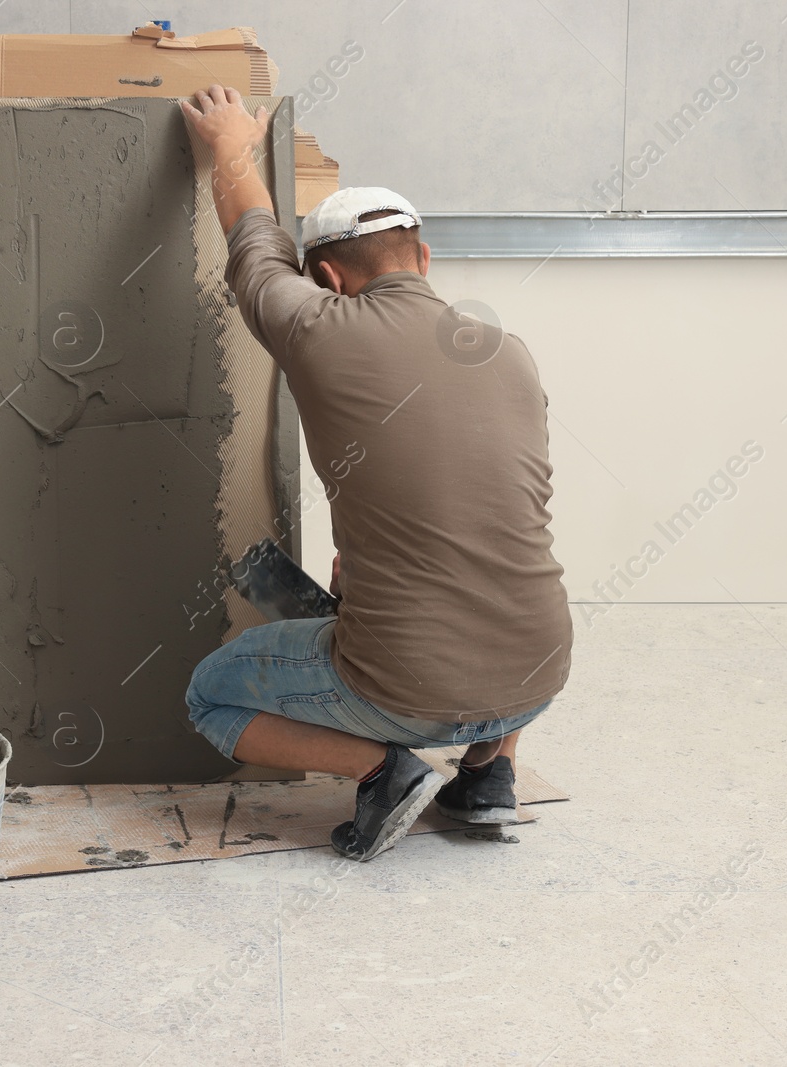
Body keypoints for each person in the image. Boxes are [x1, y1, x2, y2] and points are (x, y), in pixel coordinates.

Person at [180, 86, 572, 862]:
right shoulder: (509, 351)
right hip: (541, 667)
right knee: (503, 580)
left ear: (325, 279)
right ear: (424, 259)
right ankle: (490, 774)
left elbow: (253, 244)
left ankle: (387, 770)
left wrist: (230, 144)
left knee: (210, 692)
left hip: (406, 687)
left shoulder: (318, 326)